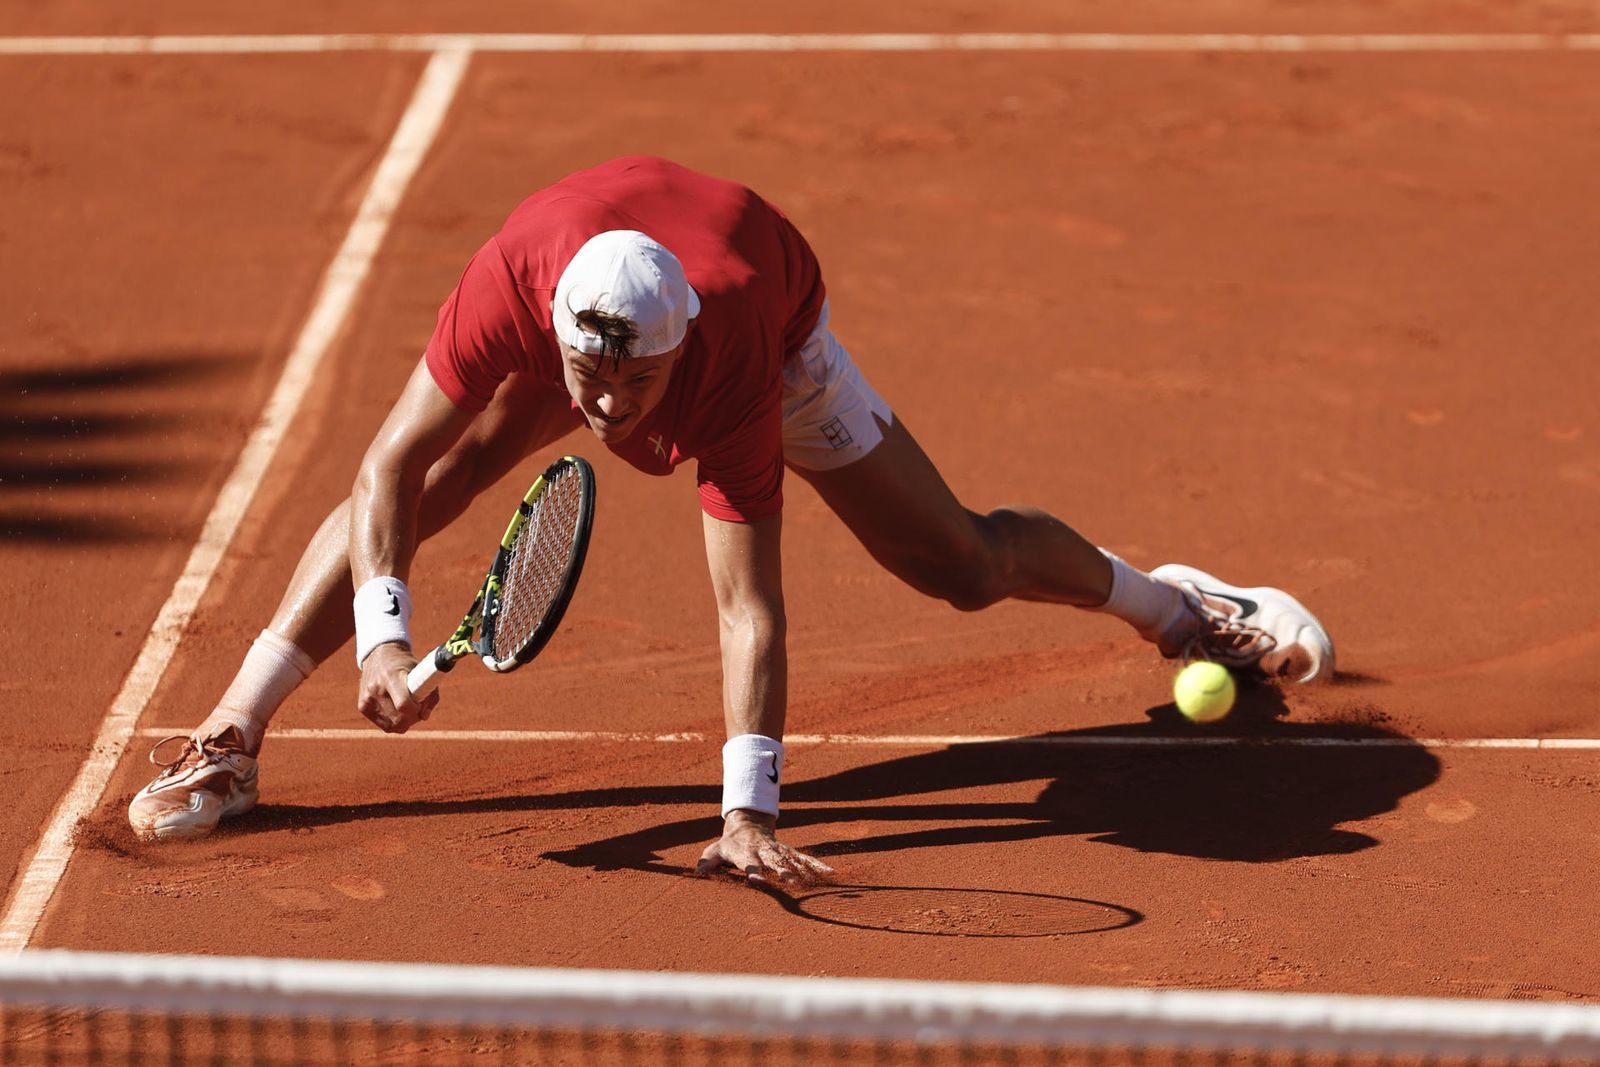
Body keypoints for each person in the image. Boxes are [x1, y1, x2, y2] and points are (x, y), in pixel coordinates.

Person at [128, 156, 1334, 881]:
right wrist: (386, 633)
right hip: (604, 285)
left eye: (629, 389)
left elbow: (748, 604)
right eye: (583, 382)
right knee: (427, 488)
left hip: (779, 331)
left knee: (958, 562)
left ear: (676, 356)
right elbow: (387, 462)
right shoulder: (522, 290)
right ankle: (231, 736)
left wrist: (748, 806)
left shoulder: (733, 361)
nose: (603, 410)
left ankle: (1183, 606)